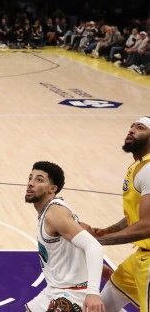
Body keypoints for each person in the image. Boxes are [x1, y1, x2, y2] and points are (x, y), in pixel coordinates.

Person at [24, 161, 105, 312]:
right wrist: (100, 267)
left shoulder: (54, 213)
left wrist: (93, 293)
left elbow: (93, 245)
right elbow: (72, 246)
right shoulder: (49, 211)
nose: (30, 183)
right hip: (56, 288)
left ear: (52, 189)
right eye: (30, 178)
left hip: (73, 294)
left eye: (39, 180)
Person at [88, 117, 150, 312]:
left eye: (140, 128)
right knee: (100, 307)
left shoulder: (149, 169)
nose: (132, 130)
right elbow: (138, 217)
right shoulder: (139, 166)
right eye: (132, 126)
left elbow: (148, 225)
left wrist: (98, 242)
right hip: (141, 258)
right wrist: (107, 231)